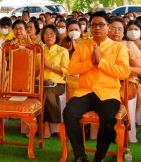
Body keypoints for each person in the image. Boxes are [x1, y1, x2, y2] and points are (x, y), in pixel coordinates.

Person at [63, 11, 130, 162]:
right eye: (93, 25)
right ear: (89, 27)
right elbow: (72, 69)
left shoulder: (118, 48)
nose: (97, 28)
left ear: (109, 27)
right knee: (69, 112)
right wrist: (90, 63)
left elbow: (125, 72)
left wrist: (101, 63)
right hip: (85, 92)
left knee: (108, 119)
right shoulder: (82, 46)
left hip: (108, 93)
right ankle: (80, 156)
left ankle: (99, 157)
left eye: (101, 24)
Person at [41, 25, 69, 138]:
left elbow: (67, 71)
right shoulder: (39, 50)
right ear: (43, 36)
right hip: (40, 81)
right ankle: (35, 123)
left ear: (56, 35)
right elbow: (33, 70)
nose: (49, 36)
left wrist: (50, 66)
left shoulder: (62, 51)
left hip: (57, 83)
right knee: (36, 91)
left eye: (52, 33)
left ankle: (46, 124)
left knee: (47, 93)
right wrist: (41, 67)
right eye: (46, 33)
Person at [108, 18, 141, 101]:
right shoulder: (100, 45)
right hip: (104, 82)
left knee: (114, 99)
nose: (116, 32)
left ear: (123, 32)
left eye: (120, 29)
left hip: (126, 82)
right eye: (113, 28)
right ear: (107, 29)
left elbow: (139, 69)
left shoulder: (128, 45)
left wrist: (120, 69)